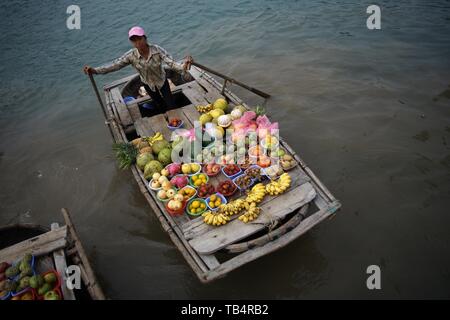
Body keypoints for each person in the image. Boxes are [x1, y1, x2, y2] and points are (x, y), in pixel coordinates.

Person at [83, 26, 193, 112]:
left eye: (139, 39)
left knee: (171, 105)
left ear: (145, 38)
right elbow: (115, 65)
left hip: (162, 81)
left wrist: (184, 65)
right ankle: (165, 118)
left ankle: (175, 120)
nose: (138, 43)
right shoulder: (131, 55)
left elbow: (171, 63)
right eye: (134, 40)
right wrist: (95, 71)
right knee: (159, 104)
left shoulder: (157, 50)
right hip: (147, 84)